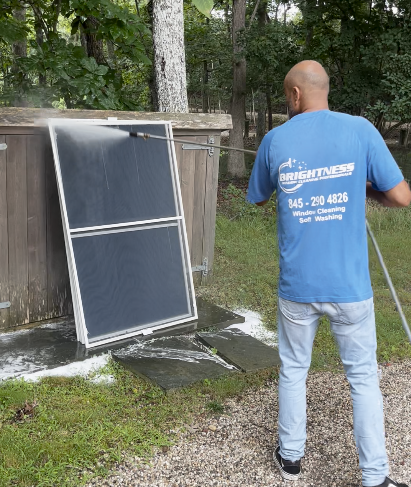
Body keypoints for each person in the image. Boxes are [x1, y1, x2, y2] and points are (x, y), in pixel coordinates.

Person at [247, 60, 411, 487]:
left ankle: (290, 460)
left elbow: (259, 199)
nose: (288, 103)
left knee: (294, 369)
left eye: (287, 96)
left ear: (296, 95)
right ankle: (375, 478)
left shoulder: (274, 140)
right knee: (362, 378)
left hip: (297, 288)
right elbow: (401, 196)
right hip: (349, 288)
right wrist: (365, 189)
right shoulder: (360, 130)